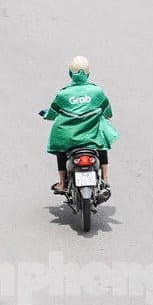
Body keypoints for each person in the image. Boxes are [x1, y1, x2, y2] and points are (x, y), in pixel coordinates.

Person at [43, 56, 117, 198]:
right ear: (88, 74)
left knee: (60, 148)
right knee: (101, 138)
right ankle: (105, 178)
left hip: (69, 138)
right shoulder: (97, 92)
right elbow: (108, 112)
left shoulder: (63, 94)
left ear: (70, 73)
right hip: (91, 137)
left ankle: (62, 182)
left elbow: (52, 114)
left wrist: (46, 115)